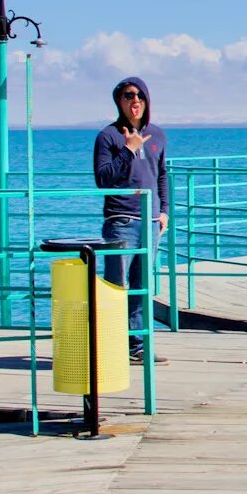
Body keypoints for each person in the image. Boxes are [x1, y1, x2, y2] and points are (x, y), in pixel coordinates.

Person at [93, 76, 168, 362]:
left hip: (150, 221)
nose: (134, 100)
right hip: (121, 220)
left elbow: (161, 175)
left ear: (146, 101)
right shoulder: (108, 136)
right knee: (116, 286)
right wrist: (128, 149)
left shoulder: (158, 136)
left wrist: (164, 211)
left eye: (139, 96)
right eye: (127, 96)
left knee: (141, 286)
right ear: (119, 101)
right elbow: (103, 178)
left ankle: (135, 346)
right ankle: (112, 346)